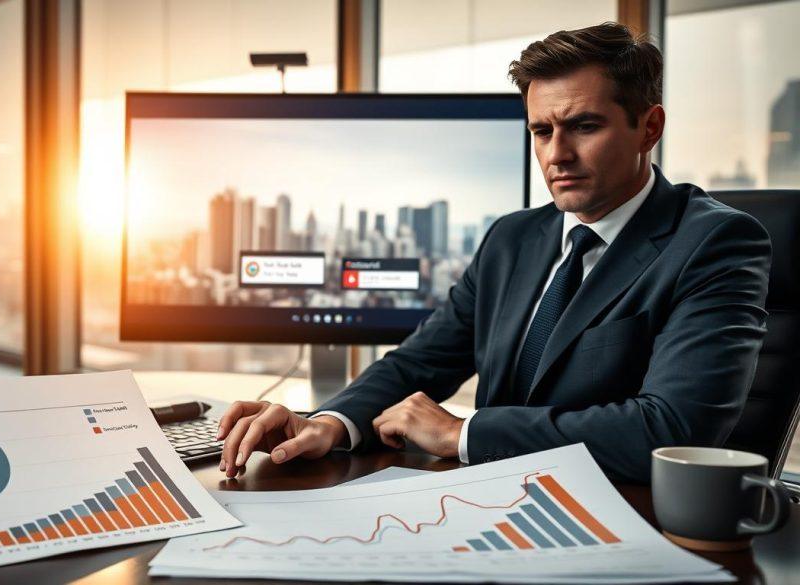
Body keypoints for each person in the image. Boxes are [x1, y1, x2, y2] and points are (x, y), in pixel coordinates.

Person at [216, 22, 772, 483]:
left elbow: (674, 429)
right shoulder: (512, 238)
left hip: (621, 513)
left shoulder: (715, 242)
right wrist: (332, 422)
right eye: (541, 130)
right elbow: (421, 362)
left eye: (584, 126)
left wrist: (464, 433)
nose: (558, 155)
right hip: (483, 503)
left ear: (648, 127)